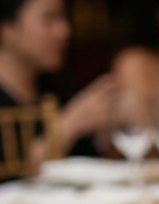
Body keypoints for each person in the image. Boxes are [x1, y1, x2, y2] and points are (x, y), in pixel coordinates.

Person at [0, 0, 116, 162]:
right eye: (48, 20)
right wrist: (71, 123)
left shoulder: (55, 90)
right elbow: (14, 170)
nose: (64, 31)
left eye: (63, 18)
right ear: (6, 29)